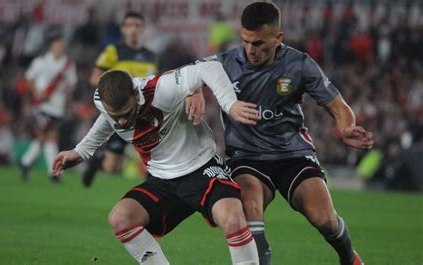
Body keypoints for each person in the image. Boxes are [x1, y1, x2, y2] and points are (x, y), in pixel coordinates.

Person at [195, 2, 373, 265]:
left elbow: (338, 105)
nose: (250, 50)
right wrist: (194, 89)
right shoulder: (223, 63)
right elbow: (188, 74)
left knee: (325, 220)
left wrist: (346, 127)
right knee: (250, 211)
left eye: (258, 44)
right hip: (246, 157)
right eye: (245, 41)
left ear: (278, 38)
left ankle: (349, 258)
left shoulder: (299, 64)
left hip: (293, 154)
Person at [52, 61, 261, 264]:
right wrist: (81, 151)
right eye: (117, 117)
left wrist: (228, 103)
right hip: (162, 180)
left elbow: (209, 67)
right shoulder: (104, 99)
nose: (122, 122)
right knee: (121, 218)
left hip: (202, 169)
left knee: (232, 217)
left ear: (136, 93)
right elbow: (107, 119)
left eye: (126, 113)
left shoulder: (160, 89)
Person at [82, 11, 158, 187]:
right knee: (111, 167)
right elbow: (95, 78)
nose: (134, 30)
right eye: (129, 26)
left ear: (143, 29)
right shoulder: (113, 51)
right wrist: (117, 89)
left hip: (144, 114)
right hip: (121, 113)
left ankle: (153, 194)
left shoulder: (152, 56)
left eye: (137, 26)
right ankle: (98, 161)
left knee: (153, 157)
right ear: (123, 29)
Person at [19, 31, 78, 182]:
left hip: (57, 107)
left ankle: (26, 163)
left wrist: (67, 89)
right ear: (51, 45)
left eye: (62, 45)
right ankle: (52, 172)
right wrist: (36, 91)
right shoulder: (40, 62)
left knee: (45, 137)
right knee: (49, 135)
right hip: (42, 105)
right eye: (58, 44)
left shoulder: (68, 64)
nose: (60, 47)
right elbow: (27, 80)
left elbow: (72, 84)